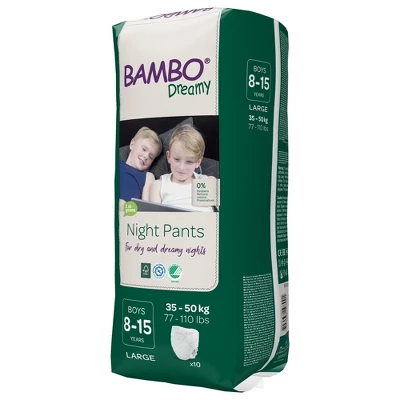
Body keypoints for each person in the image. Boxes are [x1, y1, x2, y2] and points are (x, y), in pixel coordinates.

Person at [149, 125, 215, 212]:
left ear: (198, 162)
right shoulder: (159, 186)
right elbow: (155, 218)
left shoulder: (208, 182)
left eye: (189, 162)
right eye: (176, 159)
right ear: (169, 157)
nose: (181, 167)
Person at [119, 127, 162, 210]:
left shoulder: (148, 176)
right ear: (132, 144)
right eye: (144, 149)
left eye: (151, 157)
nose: (146, 156)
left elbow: (146, 208)